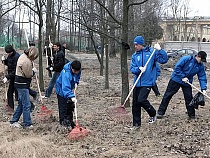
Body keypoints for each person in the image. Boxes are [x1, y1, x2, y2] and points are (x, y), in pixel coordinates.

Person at [130, 36, 168, 130]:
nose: (135, 46)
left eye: (137, 44)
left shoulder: (152, 52)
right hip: (137, 82)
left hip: (147, 82)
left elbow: (164, 60)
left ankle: (153, 113)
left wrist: (160, 50)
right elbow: (132, 69)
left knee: (141, 100)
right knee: (135, 104)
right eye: (135, 44)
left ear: (142, 44)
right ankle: (136, 124)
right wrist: (138, 69)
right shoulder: (135, 55)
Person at [157, 51, 207, 120]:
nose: (201, 62)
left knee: (189, 98)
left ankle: (191, 115)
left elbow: (202, 76)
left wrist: (203, 88)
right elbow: (177, 67)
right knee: (168, 95)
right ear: (198, 56)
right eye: (201, 60)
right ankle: (160, 112)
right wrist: (182, 76)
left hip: (187, 82)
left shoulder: (200, 65)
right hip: (176, 79)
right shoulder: (186, 59)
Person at [10, 46, 38, 128]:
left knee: (21, 104)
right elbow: (28, 74)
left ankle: (14, 121)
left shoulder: (23, 56)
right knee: (27, 105)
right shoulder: (26, 61)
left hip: (19, 83)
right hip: (22, 84)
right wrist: (33, 72)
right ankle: (27, 123)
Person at [56, 60, 81, 128]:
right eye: (75, 71)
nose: (76, 73)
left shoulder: (77, 68)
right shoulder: (66, 74)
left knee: (70, 106)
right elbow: (65, 88)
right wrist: (71, 96)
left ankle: (70, 121)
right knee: (63, 107)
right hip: (61, 90)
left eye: (77, 71)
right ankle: (63, 124)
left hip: (69, 89)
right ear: (71, 68)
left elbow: (77, 75)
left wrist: (76, 82)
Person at [1, 45, 20, 112]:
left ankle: (30, 105)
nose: (8, 54)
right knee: (10, 93)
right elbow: (9, 64)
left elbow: (16, 70)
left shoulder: (17, 57)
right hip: (12, 77)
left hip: (17, 77)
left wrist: (7, 76)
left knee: (19, 93)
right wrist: (4, 61)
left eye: (9, 53)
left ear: (12, 51)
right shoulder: (10, 56)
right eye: (7, 53)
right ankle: (11, 108)